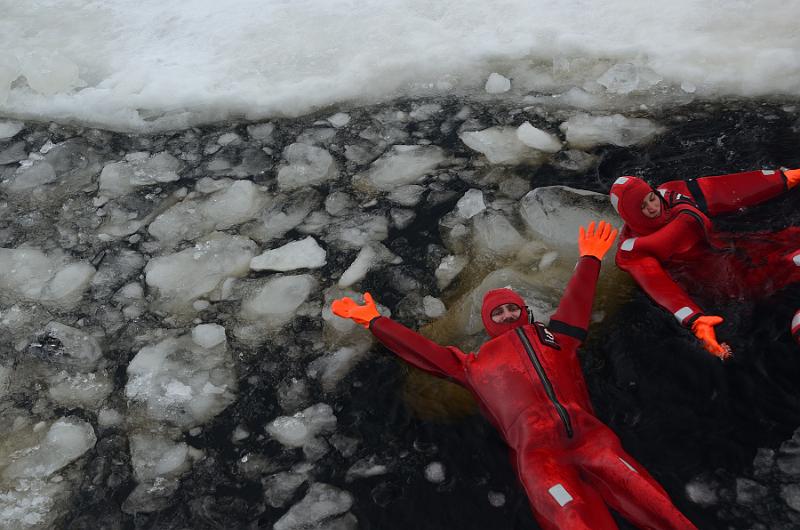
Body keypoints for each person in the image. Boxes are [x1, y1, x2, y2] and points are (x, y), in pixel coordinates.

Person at [332, 221, 697, 530]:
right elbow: (424, 352)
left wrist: (589, 258)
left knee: (656, 504)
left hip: (591, 439)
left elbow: (576, 304)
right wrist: (375, 321)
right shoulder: (472, 363)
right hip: (539, 455)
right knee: (571, 518)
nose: (507, 316)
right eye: (499, 314)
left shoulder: (555, 338)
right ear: (489, 324)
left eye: (512, 309)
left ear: (525, 312)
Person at [609, 168, 800, 359]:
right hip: (729, 282)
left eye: (651, 198)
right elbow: (660, 287)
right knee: (792, 262)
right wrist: (696, 320)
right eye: (642, 207)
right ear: (631, 215)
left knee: (793, 235)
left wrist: (783, 179)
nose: (653, 207)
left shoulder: (672, 194)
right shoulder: (633, 250)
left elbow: (725, 190)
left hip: (738, 246)